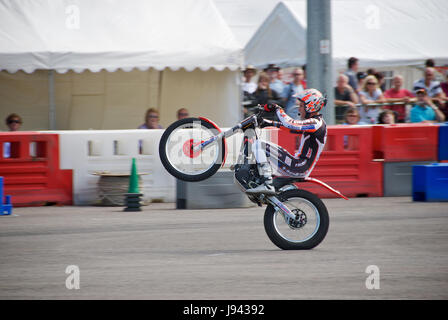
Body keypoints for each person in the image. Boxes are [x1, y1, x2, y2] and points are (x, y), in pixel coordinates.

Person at [245, 89, 327, 195]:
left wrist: (277, 109)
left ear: (310, 106)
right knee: (265, 150)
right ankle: (261, 179)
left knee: (259, 145)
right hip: (298, 164)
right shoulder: (315, 123)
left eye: (301, 106)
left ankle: (267, 184)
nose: (299, 109)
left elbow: (291, 124)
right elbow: (292, 129)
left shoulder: (316, 123)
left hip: (299, 166)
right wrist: (267, 123)